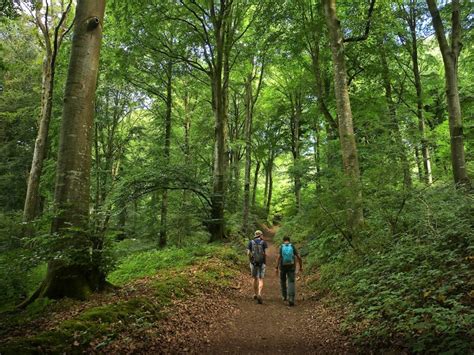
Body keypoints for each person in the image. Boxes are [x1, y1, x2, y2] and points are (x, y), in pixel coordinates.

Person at [275, 236, 303, 306]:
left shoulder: (281, 247)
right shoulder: (292, 246)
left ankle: (284, 296)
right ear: (289, 240)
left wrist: (276, 267)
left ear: (283, 240)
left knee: (283, 281)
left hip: (283, 266)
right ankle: (291, 298)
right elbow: (299, 257)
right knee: (291, 282)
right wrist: (300, 266)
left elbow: (278, 257)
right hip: (291, 266)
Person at [247, 230, 268, 304]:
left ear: (255, 235)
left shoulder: (251, 242)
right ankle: (259, 293)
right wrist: (264, 261)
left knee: (254, 278)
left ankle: (255, 294)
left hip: (253, 263)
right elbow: (266, 254)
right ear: (261, 235)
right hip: (261, 263)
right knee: (261, 279)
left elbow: (248, 253)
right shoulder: (263, 242)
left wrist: (251, 260)